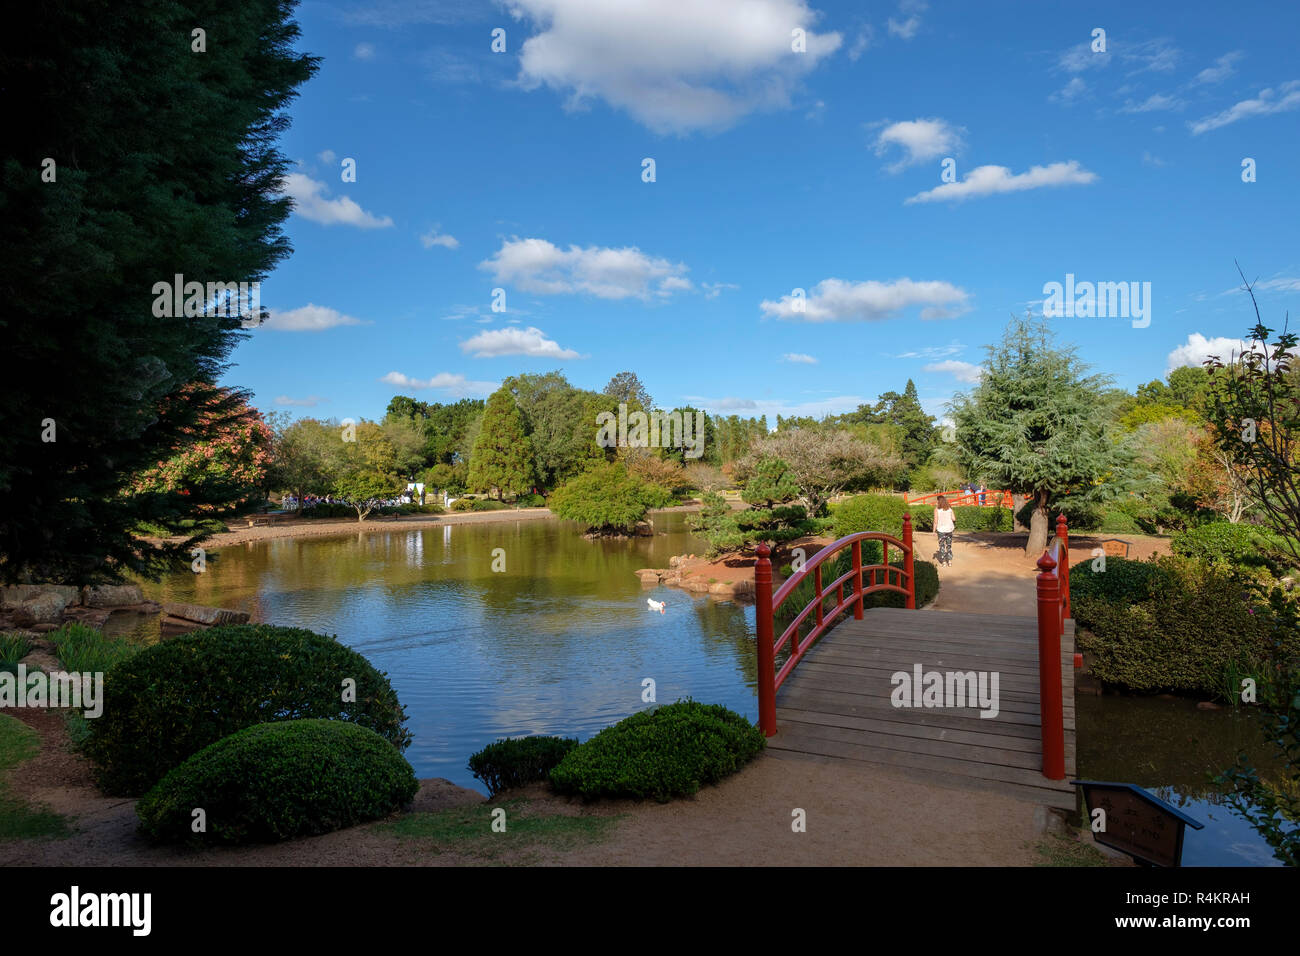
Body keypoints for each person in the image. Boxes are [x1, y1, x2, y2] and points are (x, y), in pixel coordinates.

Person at [934, 494, 955, 567]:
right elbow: (954, 519)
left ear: (938, 501)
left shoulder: (937, 509)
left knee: (942, 545)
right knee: (948, 545)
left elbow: (935, 521)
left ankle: (943, 562)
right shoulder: (949, 508)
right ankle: (949, 561)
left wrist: (933, 531)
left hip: (941, 530)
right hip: (949, 529)